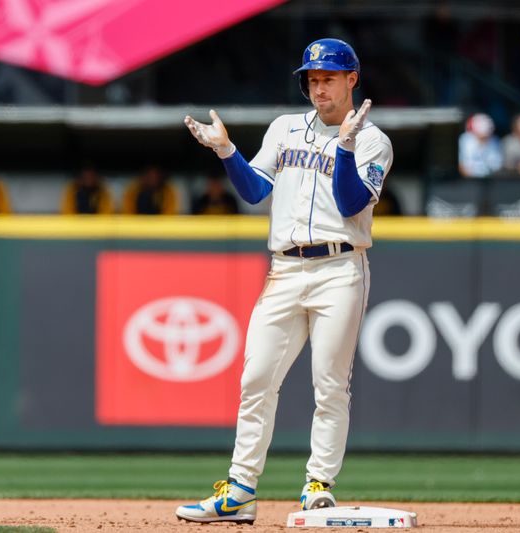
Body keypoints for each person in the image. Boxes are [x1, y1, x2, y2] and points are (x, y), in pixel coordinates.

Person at [177, 38, 393, 525]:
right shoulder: (285, 128)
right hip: (284, 269)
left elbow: (351, 203)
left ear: (352, 80)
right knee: (256, 379)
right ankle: (240, 492)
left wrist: (345, 147)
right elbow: (256, 191)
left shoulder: (373, 139)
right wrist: (228, 151)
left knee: (329, 384)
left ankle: (319, 485)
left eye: (329, 78)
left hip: (340, 268)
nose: (319, 88)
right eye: (313, 79)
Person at [458, 113, 502, 178]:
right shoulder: (465, 140)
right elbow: (463, 167)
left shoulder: (495, 141)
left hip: (492, 181)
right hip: (470, 181)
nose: (485, 136)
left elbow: (497, 166)